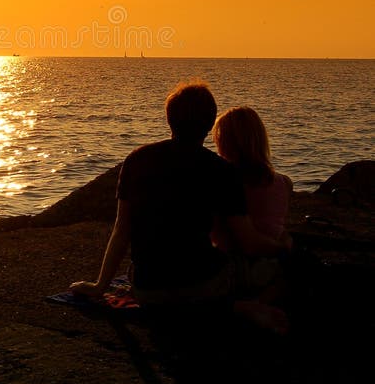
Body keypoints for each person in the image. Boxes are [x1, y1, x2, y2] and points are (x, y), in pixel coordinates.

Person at [71, 82, 291, 332]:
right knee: (279, 272)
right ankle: (243, 307)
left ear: (169, 119)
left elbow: (122, 231)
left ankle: (225, 308)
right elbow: (249, 241)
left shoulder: (137, 160)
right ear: (209, 125)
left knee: (175, 291)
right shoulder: (221, 171)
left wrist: (100, 286)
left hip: (147, 289)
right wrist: (282, 248)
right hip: (205, 284)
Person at [211, 106, 293, 307]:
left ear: (225, 142)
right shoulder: (284, 183)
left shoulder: (222, 183)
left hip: (234, 270)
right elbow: (276, 229)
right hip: (270, 267)